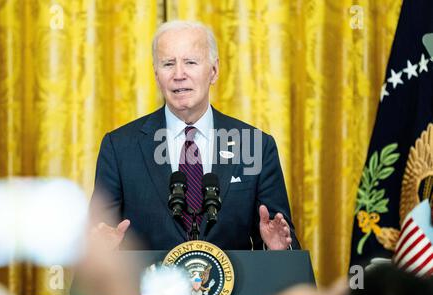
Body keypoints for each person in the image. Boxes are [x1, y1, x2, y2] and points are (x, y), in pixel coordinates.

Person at [92, 20, 300, 251]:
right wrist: (101, 249)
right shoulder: (120, 147)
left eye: (191, 62)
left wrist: (277, 248)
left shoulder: (255, 146)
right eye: (168, 64)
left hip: (236, 286)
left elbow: (281, 242)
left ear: (214, 71)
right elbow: (101, 240)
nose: (179, 74)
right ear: (156, 75)